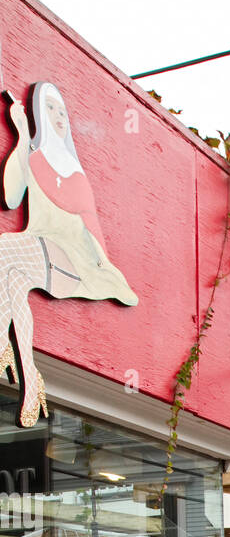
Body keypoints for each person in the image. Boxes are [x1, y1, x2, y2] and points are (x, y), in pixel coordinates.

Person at [1, 83, 137, 426]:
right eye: (51, 109)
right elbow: (11, 196)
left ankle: (4, 343)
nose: (59, 117)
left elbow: (79, 220)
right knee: (13, 278)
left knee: (4, 249)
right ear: (38, 115)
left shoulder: (73, 171)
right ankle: (30, 377)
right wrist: (20, 135)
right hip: (40, 253)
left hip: (74, 262)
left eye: (63, 111)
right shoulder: (34, 156)